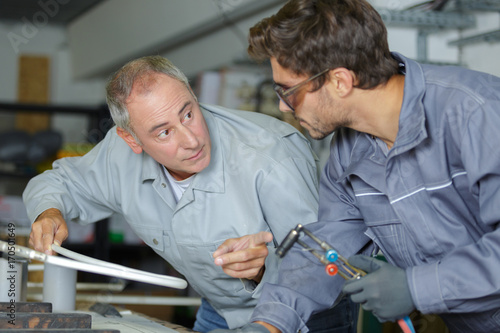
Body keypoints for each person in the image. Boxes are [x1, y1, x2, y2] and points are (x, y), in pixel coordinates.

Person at [210, 0, 500, 332]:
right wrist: (269, 323)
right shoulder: (349, 151)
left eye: (288, 91)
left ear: (340, 81)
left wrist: (416, 287)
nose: (283, 106)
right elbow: (326, 249)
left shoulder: (478, 113)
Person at [24, 55, 358, 332]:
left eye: (188, 113)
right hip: (219, 309)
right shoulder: (118, 153)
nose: (191, 139)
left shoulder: (271, 155)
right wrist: (48, 211)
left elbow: (324, 266)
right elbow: (57, 183)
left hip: (310, 316)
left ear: (194, 97)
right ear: (132, 140)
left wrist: (262, 270)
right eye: (164, 132)